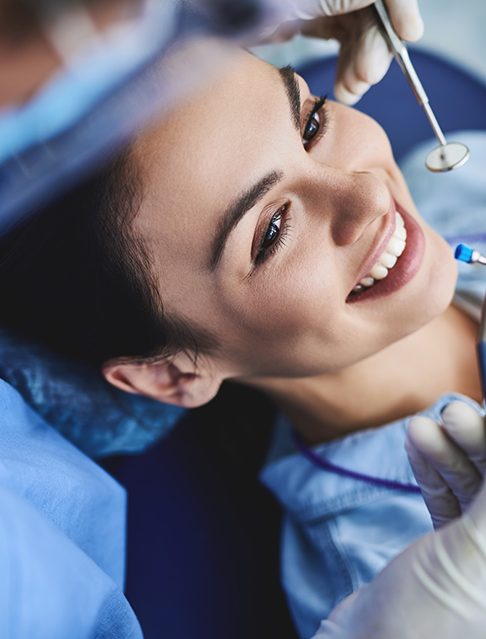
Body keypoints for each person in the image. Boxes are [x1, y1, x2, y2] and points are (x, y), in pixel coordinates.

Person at [3, 35, 486, 638]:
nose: (367, 194)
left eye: (310, 124)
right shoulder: (382, 583)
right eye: (274, 229)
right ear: (172, 373)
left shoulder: (466, 180)